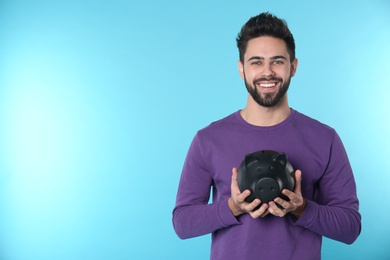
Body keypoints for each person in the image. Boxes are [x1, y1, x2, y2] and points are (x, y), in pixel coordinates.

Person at [172, 12, 361, 260]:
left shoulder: (325, 139)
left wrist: (302, 208)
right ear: (242, 69)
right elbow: (182, 223)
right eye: (256, 62)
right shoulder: (208, 140)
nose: (267, 72)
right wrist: (232, 207)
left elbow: (350, 227)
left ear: (293, 67)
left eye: (278, 61)